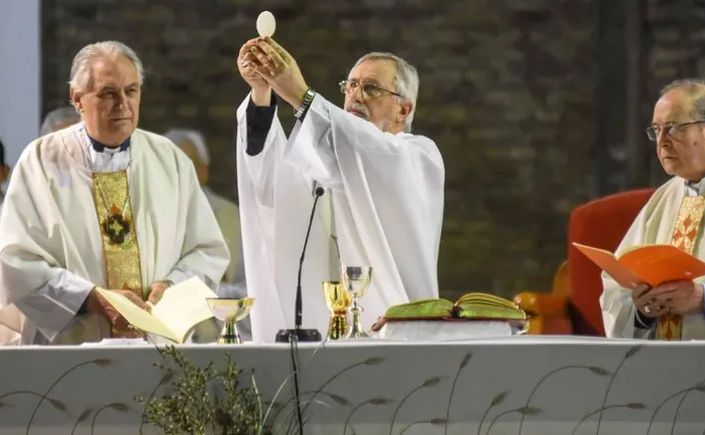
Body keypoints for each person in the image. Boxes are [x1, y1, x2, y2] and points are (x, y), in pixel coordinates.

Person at [0, 41, 228, 345]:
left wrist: (171, 286)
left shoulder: (169, 160)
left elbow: (207, 252)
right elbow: (16, 262)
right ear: (77, 99)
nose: (123, 104)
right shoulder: (41, 161)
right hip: (70, 349)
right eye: (109, 93)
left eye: (131, 91)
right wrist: (90, 299)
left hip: (157, 345)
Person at [236, 37, 444, 342]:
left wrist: (300, 95)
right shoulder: (321, 158)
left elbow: (368, 151)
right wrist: (262, 90)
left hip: (396, 338)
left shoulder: (419, 157)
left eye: (371, 88)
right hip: (317, 337)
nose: (356, 96)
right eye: (351, 86)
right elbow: (269, 182)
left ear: (403, 110)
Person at [600, 78, 705, 340]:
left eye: (674, 128)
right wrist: (643, 309)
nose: (662, 141)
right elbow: (616, 287)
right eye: (656, 130)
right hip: (661, 364)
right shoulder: (662, 199)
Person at [164, 128, 245, 284]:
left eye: (188, 163)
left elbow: (247, 280)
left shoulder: (232, 215)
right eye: (169, 164)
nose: (178, 173)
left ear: (204, 169)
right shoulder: (149, 212)